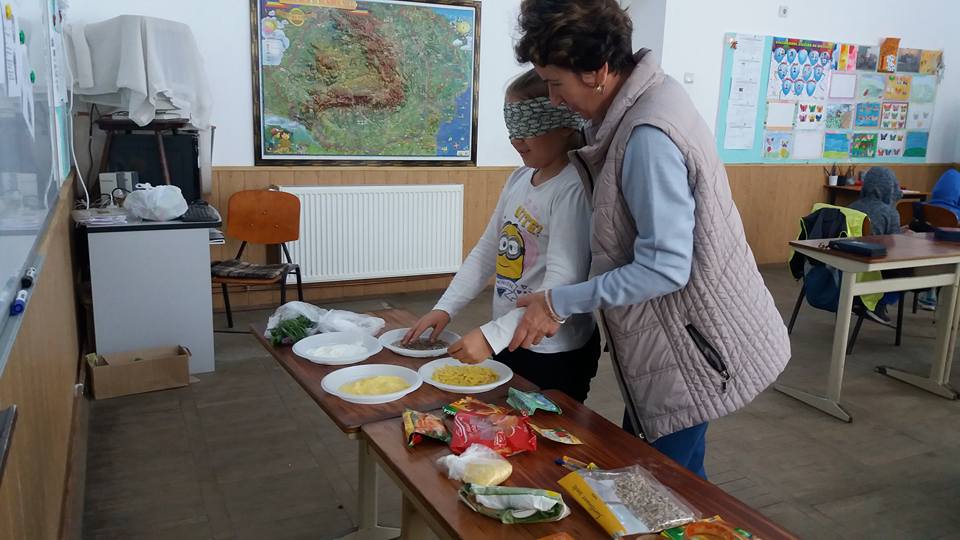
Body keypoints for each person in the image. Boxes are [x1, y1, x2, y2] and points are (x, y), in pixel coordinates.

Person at [507, 0, 790, 478]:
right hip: (684, 335)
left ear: (597, 70)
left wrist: (557, 302)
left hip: (692, 343)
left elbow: (665, 266)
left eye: (556, 83)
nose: (553, 100)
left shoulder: (646, 136)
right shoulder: (648, 97)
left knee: (654, 484)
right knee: (674, 477)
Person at [402, 69, 601, 402]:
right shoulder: (519, 179)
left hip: (553, 350)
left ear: (566, 122)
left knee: (546, 427)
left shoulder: (573, 189)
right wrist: (445, 308)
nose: (515, 139)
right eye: (512, 127)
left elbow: (564, 281)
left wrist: (491, 336)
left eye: (527, 126)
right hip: (512, 338)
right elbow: (486, 251)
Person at [916, 168, 960, 309]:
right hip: (949, 256)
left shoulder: (926, 208)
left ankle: (930, 292)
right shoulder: (955, 215)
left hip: (925, 254)